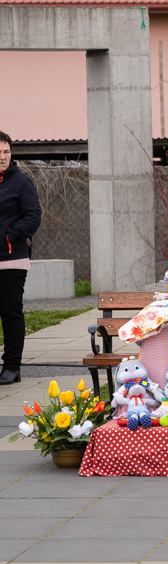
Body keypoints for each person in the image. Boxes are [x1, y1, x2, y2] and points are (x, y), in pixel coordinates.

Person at [0, 131, 42, 385]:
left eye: (6, 152)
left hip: (11, 260)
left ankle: (12, 367)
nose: (2, 157)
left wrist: (8, 235)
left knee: (10, 313)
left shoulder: (21, 182)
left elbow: (33, 216)